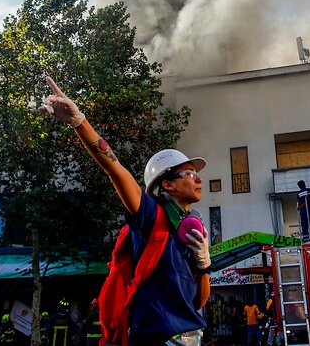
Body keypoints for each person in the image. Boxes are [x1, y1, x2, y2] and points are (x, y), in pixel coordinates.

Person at [40, 76, 210, 346]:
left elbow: (198, 302)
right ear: (167, 184)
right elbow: (114, 168)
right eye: (189, 173)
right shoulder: (150, 214)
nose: (198, 178)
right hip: (155, 339)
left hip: (192, 339)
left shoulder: (192, 229)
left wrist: (203, 266)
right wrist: (78, 121)